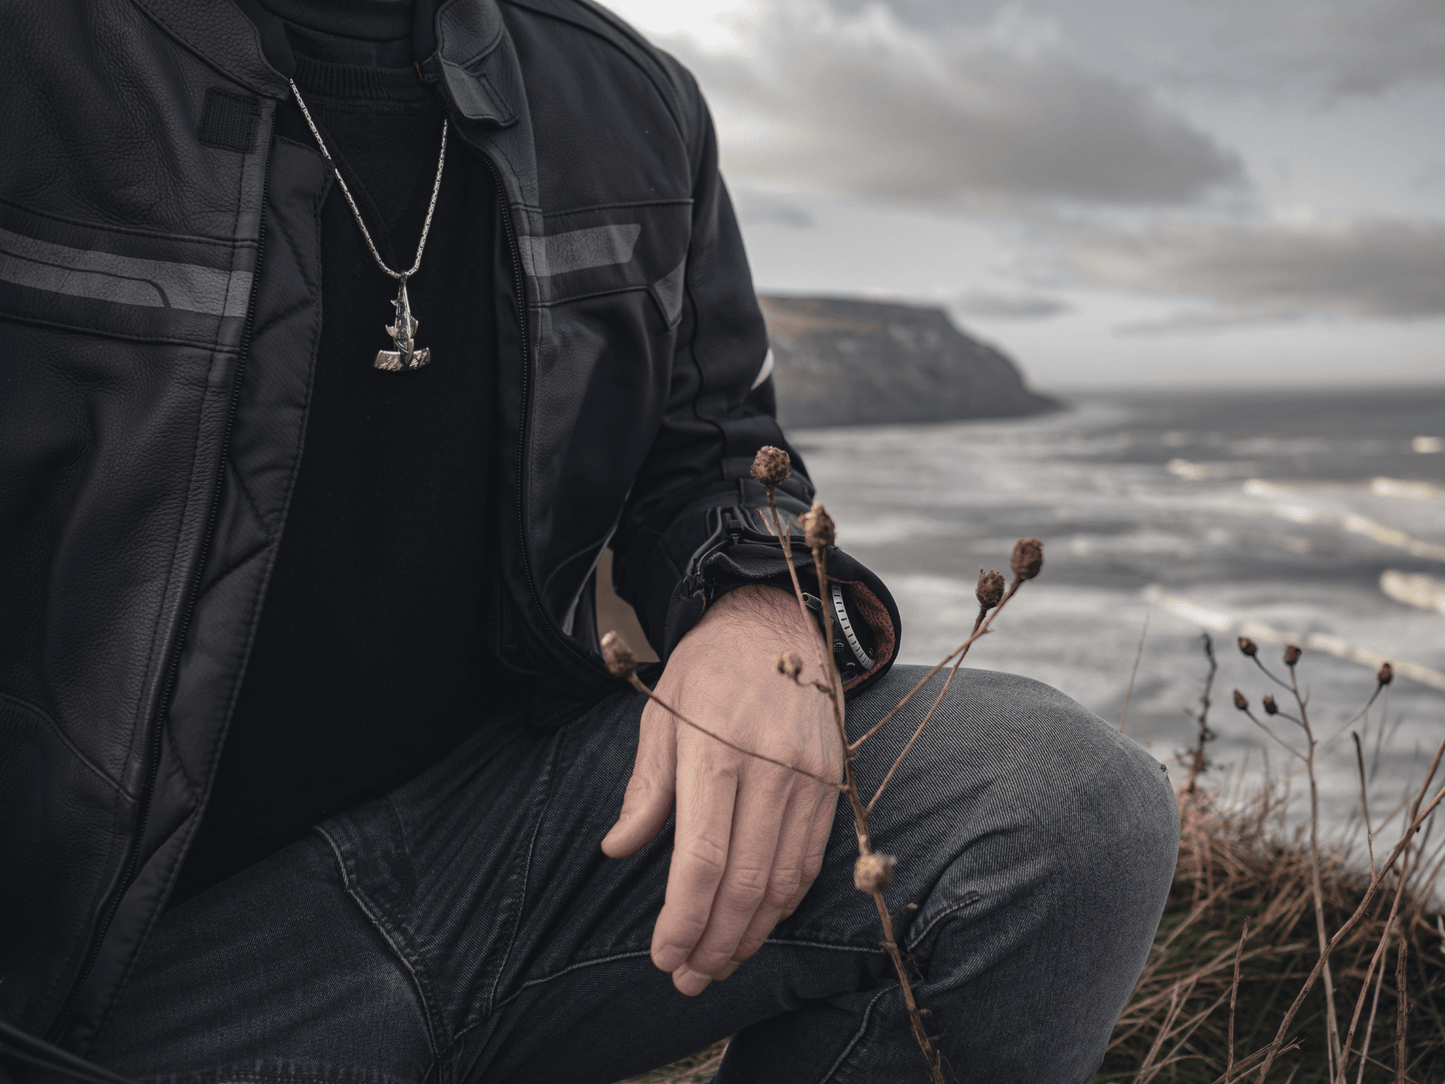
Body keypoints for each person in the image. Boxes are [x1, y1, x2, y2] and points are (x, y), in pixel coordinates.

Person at [0, 1, 1180, 1081]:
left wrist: (760, 611)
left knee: (1060, 809)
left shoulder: (625, 98)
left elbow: (712, 445)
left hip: (498, 853)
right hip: (97, 972)